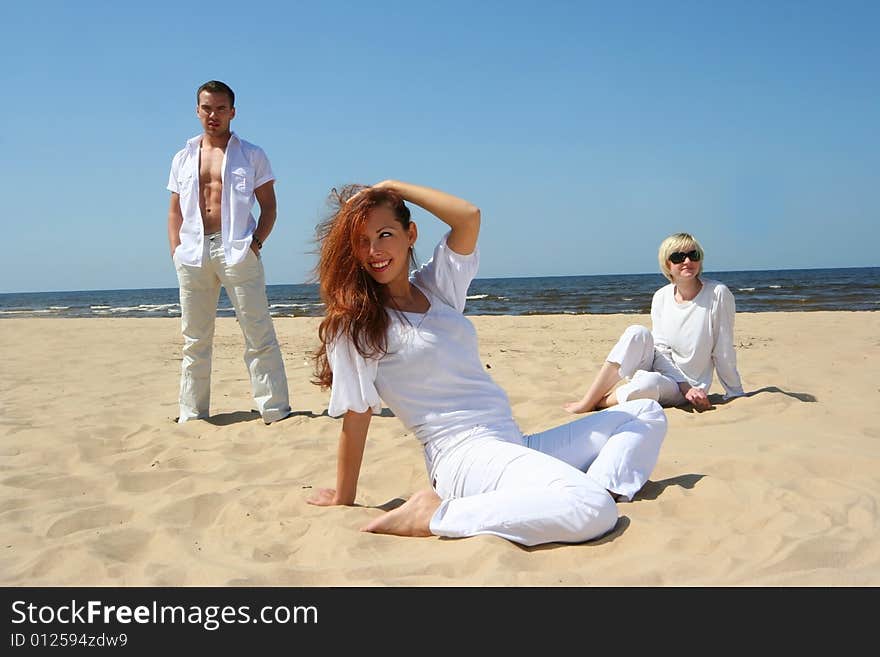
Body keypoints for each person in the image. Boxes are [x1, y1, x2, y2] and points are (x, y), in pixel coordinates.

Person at [306, 180, 667, 546]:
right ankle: (434, 514)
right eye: (362, 241)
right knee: (592, 510)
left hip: (511, 441)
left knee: (644, 414)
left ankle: (603, 486)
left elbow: (468, 218)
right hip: (462, 458)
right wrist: (343, 496)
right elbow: (357, 414)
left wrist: (391, 187)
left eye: (385, 234)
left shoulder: (437, 287)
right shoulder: (358, 323)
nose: (374, 251)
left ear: (410, 233)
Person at [166, 80, 291, 424]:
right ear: (197, 111)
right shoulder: (182, 157)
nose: (214, 115)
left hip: (236, 249)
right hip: (193, 253)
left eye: (221, 108)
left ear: (232, 112)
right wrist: (176, 249)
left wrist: (255, 244)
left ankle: (275, 410)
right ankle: (192, 414)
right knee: (195, 339)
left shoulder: (251, 154)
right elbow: (174, 210)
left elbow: (269, 208)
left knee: (258, 333)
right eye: (207, 108)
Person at [564, 232, 745, 415]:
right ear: (667, 264)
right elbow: (660, 348)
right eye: (678, 257)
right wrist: (681, 384)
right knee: (637, 332)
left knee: (649, 384)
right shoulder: (661, 296)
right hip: (661, 368)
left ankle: (600, 403)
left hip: (690, 388)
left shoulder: (717, 294)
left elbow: (723, 349)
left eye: (693, 255)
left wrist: (734, 392)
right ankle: (588, 400)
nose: (687, 261)